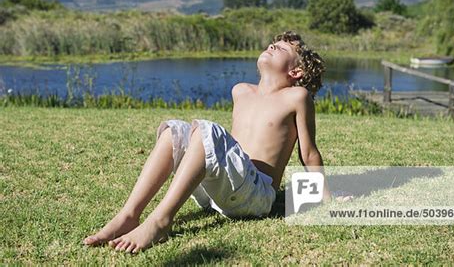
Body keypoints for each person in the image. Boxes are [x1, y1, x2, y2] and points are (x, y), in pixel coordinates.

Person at [83, 30, 331, 253]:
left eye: (282, 48)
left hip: (255, 195)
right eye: (272, 44)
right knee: (175, 131)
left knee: (206, 131)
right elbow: (227, 152)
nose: (273, 46)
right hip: (221, 191)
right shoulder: (241, 91)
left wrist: (326, 197)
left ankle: (160, 222)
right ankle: (129, 215)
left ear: (296, 71)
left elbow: (308, 154)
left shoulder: (297, 97)